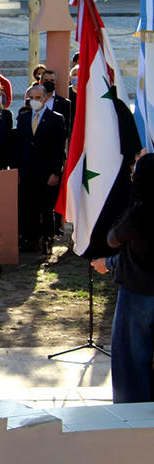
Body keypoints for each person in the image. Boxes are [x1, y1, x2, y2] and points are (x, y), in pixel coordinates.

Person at [92, 154, 154, 403]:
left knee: (131, 358)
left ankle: (132, 413)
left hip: (137, 292)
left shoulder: (139, 213)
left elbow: (112, 238)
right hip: (139, 286)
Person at [15, 84, 66, 252]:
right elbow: (19, 145)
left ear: (45, 98)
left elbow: (59, 148)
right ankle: (29, 238)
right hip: (27, 170)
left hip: (46, 171)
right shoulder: (23, 118)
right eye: (32, 98)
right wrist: (17, 170)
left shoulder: (56, 119)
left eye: (38, 98)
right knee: (27, 206)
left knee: (45, 206)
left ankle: (47, 238)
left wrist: (55, 172)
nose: (35, 101)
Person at [40, 69, 71, 133]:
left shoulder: (64, 103)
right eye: (46, 80)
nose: (49, 82)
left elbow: (67, 126)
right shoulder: (32, 101)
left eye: (52, 80)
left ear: (55, 83)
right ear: (41, 82)